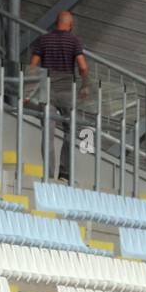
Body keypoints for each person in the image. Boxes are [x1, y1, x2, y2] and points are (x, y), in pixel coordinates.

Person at [29, 10, 90, 182]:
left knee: (47, 133)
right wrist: (85, 86)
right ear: (70, 25)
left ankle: (48, 175)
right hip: (66, 91)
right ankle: (65, 173)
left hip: (46, 90)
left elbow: (32, 66)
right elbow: (83, 67)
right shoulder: (74, 41)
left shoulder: (44, 39)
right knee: (70, 131)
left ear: (56, 23)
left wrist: (29, 90)